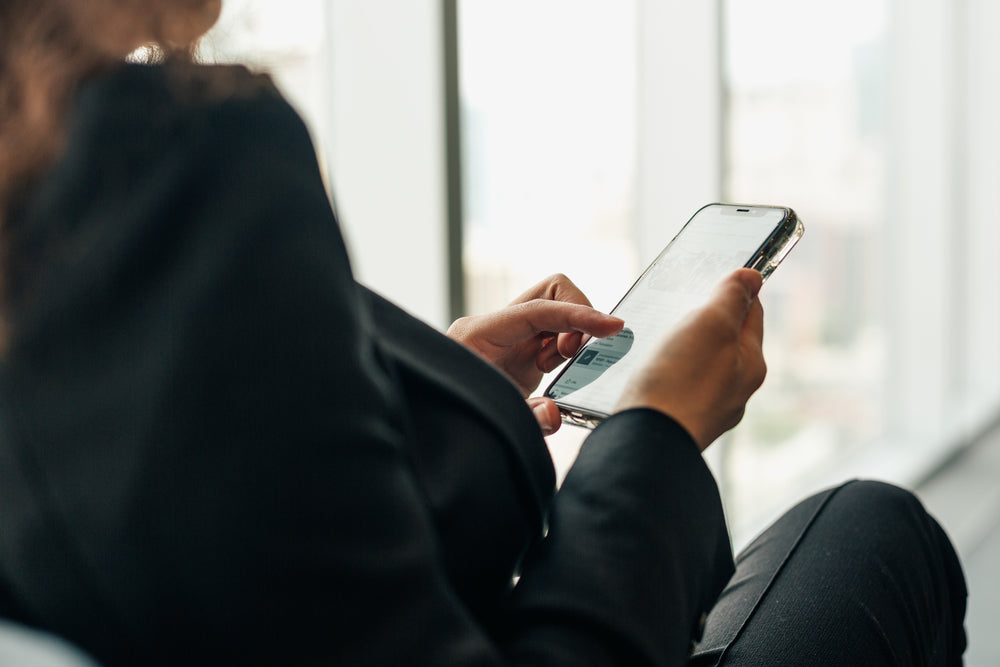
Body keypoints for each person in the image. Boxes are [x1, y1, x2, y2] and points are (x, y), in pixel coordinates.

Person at [0, 1, 967, 665]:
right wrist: (661, 425)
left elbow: (214, 511)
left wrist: (422, 377)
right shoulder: (169, 169)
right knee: (873, 529)